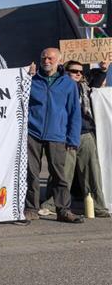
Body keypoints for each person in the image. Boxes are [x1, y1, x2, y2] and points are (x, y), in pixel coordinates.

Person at [24, 48, 83, 224]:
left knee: (59, 175)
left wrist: (73, 138)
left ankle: (63, 210)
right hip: (32, 133)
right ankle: (31, 209)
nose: (46, 61)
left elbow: (74, 112)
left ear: (59, 60)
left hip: (57, 135)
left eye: (50, 58)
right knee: (31, 174)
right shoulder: (30, 80)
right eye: (43, 57)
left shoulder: (69, 84)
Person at [64, 60, 110, 218]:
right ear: (65, 71)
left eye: (80, 72)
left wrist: (103, 70)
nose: (78, 74)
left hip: (85, 132)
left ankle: (97, 206)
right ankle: (53, 203)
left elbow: (95, 85)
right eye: (73, 71)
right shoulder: (61, 86)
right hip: (66, 134)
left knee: (91, 171)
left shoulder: (85, 87)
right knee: (63, 171)